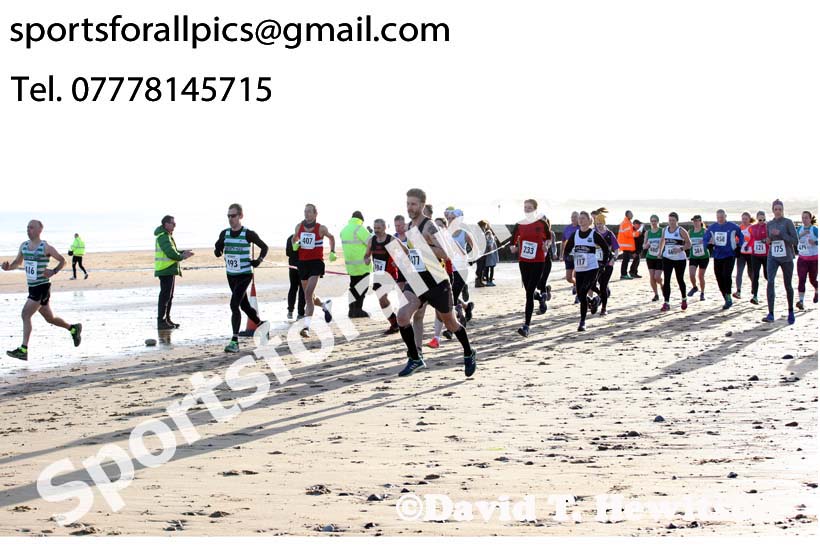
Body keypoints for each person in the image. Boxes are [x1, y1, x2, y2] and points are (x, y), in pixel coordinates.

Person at [394, 188, 476, 377]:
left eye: (413, 204)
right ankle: (415, 358)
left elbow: (446, 254)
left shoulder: (430, 227)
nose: (410, 207)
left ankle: (469, 352)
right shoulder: (409, 227)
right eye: (408, 203)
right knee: (402, 316)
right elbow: (414, 254)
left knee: (451, 323)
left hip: (437, 281)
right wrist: (402, 252)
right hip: (417, 278)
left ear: (422, 205)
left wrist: (423, 247)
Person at [2, 220, 82, 361]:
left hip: (42, 286)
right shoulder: (24, 246)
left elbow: (63, 260)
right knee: (49, 318)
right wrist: (7, 267)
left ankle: (23, 349)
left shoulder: (45, 247)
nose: (28, 230)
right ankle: (73, 329)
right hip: (33, 287)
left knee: (25, 314)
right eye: (27, 227)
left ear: (40, 230)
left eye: (31, 227)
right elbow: (17, 263)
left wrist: (53, 271)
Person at [214, 204, 269, 353]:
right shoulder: (224, 233)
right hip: (231, 276)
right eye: (229, 216)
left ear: (240, 216)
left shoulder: (248, 234)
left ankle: (234, 341)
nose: (231, 219)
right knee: (244, 306)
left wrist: (259, 260)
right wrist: (217, 251)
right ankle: (262, 325)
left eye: (233, 216)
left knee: (234, 304)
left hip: (245, 275)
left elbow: (264, 247)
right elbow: (217, 248)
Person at [562, 211, 612, 331]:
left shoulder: (593, 234)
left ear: (590, 221)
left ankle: (582, 322)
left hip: (592, 268)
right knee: (580, 294)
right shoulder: (575, 234)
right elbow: (567, 249)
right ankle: (593, 302)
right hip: (579, 269)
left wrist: (603, 263)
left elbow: (606, 250)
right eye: (580, 218)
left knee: (583, 292)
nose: (581, 220)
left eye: (584, 218)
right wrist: (567, 256)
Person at [294, 203, 337, 337]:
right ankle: (325, 305)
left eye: (309, 212)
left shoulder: (321, 228)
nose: (306, 214)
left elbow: (331, 237)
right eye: (305, 211)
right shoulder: (299, 226)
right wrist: (295, 244)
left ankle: (306, 327)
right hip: (303, 264)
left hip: (316, 264)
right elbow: (294, 239)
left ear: (315, 214)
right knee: (310, 296)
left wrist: (332, 251)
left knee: (307, 294)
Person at [510, 199, 549, 337]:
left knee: (529, 293)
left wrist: (546, 245)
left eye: (530, 207)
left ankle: (526, 326)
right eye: (525, 207)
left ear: (535, 209)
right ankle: (540, 298)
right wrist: (513, 248)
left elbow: (548, 237)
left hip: (538, 261)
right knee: (529, 290)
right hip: (524, 261)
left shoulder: (542, 223)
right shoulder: (519, 224)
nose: (527, 209)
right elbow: (513, 239)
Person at [154, 215, 194, 330]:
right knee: (165, 296)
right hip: (165, 270)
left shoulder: (167, 236)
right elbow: (171, 254)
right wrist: (182, 256)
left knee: (169, 296)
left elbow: (173, 251)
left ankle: (166, 319)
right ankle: (161, 321)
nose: (174, 225)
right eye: (173, 223)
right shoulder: (163, 237)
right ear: (166, 224)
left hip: (168, 269)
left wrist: (182, 252)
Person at [763, 199, 798, 324]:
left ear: (783, 210)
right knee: (770, 281)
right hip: (773, 255)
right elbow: (769, 239)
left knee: (787, 284)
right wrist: (767, 240)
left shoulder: (788, 223)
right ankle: (771, 313)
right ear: (773, 210)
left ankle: (790, 311)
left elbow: (795, 241)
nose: (778, 212)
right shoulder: (769, 224)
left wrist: (782, 234)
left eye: (780, 209)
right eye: (775, 209)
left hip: (787, 257)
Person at [364, 218, 400, 334]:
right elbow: (366, 255)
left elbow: (406, 252)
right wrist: (367, 260)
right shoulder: (372, 240)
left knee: (383, 297)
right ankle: (394, 323)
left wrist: (398, 262)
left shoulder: (391, 239)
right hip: (378, 275)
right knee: (382, 301)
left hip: (389, 275)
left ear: (385, 228)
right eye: (375, 228)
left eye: (378, 228)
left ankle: (396, 322)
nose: (376, 230)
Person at [703, 209, 744, 310]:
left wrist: (739, 246)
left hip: (730, 255)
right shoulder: (712, 227)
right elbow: (705, 238)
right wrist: (707, 246)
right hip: (717, 255)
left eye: (722, 217)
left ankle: (729, 297)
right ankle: (725, 297)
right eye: (718, 217)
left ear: (725, 216)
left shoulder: (732, 226)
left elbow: (741, 236)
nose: (720, 219)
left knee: (726, 275)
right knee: (719, 277)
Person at [340, 211, 372, 318]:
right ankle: (358, 310)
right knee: (362, 288)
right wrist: (370, 232)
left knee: (353, 287)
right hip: (362, 264)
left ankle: (351, 310)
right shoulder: (359, 228)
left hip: (351, 265)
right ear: (361, 220)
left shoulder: (344, 230)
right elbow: (370, 242)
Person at [658, 212, 691, 312]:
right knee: (666, 280)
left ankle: (684, 299)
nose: (671, 222)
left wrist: (681, 249)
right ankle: (666, 302)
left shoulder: (681, 231)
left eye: (673, 220)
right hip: (667, 258)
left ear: (677, 221)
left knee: (680, 279)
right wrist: (660, 251)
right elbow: (662, 240)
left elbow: (689, 244)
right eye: (670, 220)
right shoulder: (665, 230)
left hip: (679, 259)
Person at [591, 213, 619, 315]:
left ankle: (603, 308)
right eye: (597, 223)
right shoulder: (593, 233)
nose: (599, 225)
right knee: (593, 285)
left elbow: (616, 249)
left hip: (607, 263)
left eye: (601, 223)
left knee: (603, 285)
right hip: (595, 264)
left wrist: (614, 259)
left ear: (604, 223)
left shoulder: (609, 234)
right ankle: (601, 296)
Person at [795, 210, 818, 310]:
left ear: (810, 219)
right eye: (803, 217)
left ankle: (817, 289)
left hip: (813, 259)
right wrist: (802, 234)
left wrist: (815, 242)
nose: (804, 219)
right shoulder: (800, 229)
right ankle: (801, 301)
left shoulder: (814, 229)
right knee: (801, 279)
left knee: (812, 280)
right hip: (802, 259)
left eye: (806, 217)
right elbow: (794, 239)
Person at [534, 215, 556, 313]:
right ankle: (546, 291)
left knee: (542, 283)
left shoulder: (550, 234)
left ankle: (542, 305)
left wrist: (550, 249)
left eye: (544, 221)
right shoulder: (533, 233)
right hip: (534, 262)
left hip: (546, 262)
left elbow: (550, 244)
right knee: (537, 285)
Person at [748, 210, 769, 305]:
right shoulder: (752, 227)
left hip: (766, 255)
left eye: (763, 219)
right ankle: (755, 296)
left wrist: (767, 241)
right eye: (760, 219)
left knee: (767, 275)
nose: (761, 221)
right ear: (757, 218)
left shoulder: (768, 226)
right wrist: (748, 245)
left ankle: (770, 292)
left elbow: (770, 238)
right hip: (755, 254)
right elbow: (752, 238)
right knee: (755, 275)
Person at [687, 215, 710, 301]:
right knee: (691, 274)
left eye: (697, 221)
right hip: (693, 256)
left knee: (701, 276)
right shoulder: (690, 232)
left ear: (700, 222)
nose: (695, 223)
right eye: (694, 221)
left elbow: (711, 241)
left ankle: (702, 293)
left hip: (704, 256)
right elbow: (686, 242)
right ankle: (694, 287)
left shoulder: (705, 231)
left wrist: (704, 241)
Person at [733, 212, 755, 300]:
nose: (744, 220)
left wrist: (747, 242)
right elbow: (736, 238)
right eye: (743, 219)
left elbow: (754, 238)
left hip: (750, 253)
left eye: (746, 219)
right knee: (739, 272)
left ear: (749, 219)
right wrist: (737, 242)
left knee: (750, 273)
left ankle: (754, 287)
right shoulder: (739, 228)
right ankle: (738, 291)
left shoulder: (752, 227)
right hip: (741, 253)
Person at [642, 214, 664, 302]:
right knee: (652, 276)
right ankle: (656, 294)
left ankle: (662, 285)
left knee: (657, 277)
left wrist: (661, 251)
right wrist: (646, 245)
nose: (654, 223)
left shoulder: (662, 231)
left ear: (658, 222)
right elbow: (644, 245)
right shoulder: (648, 232)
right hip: (650, 256)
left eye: (655, 221)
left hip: (659, 256)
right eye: (652, 221)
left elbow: (665, 242)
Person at [285, 234, 306, 319]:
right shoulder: (305, 237)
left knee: (293, 288)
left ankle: (290, 311)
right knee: (302, 289)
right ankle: (300, 313)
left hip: (292, 265)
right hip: (302, 265)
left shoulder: (290, 237)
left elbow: (288, 253)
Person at [560, 211, 579, 300]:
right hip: (569, 255)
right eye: (572, 216)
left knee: (578, 275)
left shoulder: (582, 228)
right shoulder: (567, 228)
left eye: (575, 216)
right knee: (569, 278)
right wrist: (561, 254)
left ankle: (579, 295)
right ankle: (575, 284)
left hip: (579, 255)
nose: (573, 218)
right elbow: (563, 242)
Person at [617, 210, 637, 280]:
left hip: (625, 245)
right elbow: (628, 234)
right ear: (627, 215)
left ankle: (624, 274)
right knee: (625, 260)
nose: (632, 215)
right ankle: (623, 274)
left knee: (626, 260)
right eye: (631, 214)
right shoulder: (626, 223)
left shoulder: (627, 222)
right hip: (625, 245)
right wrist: (637, 233)